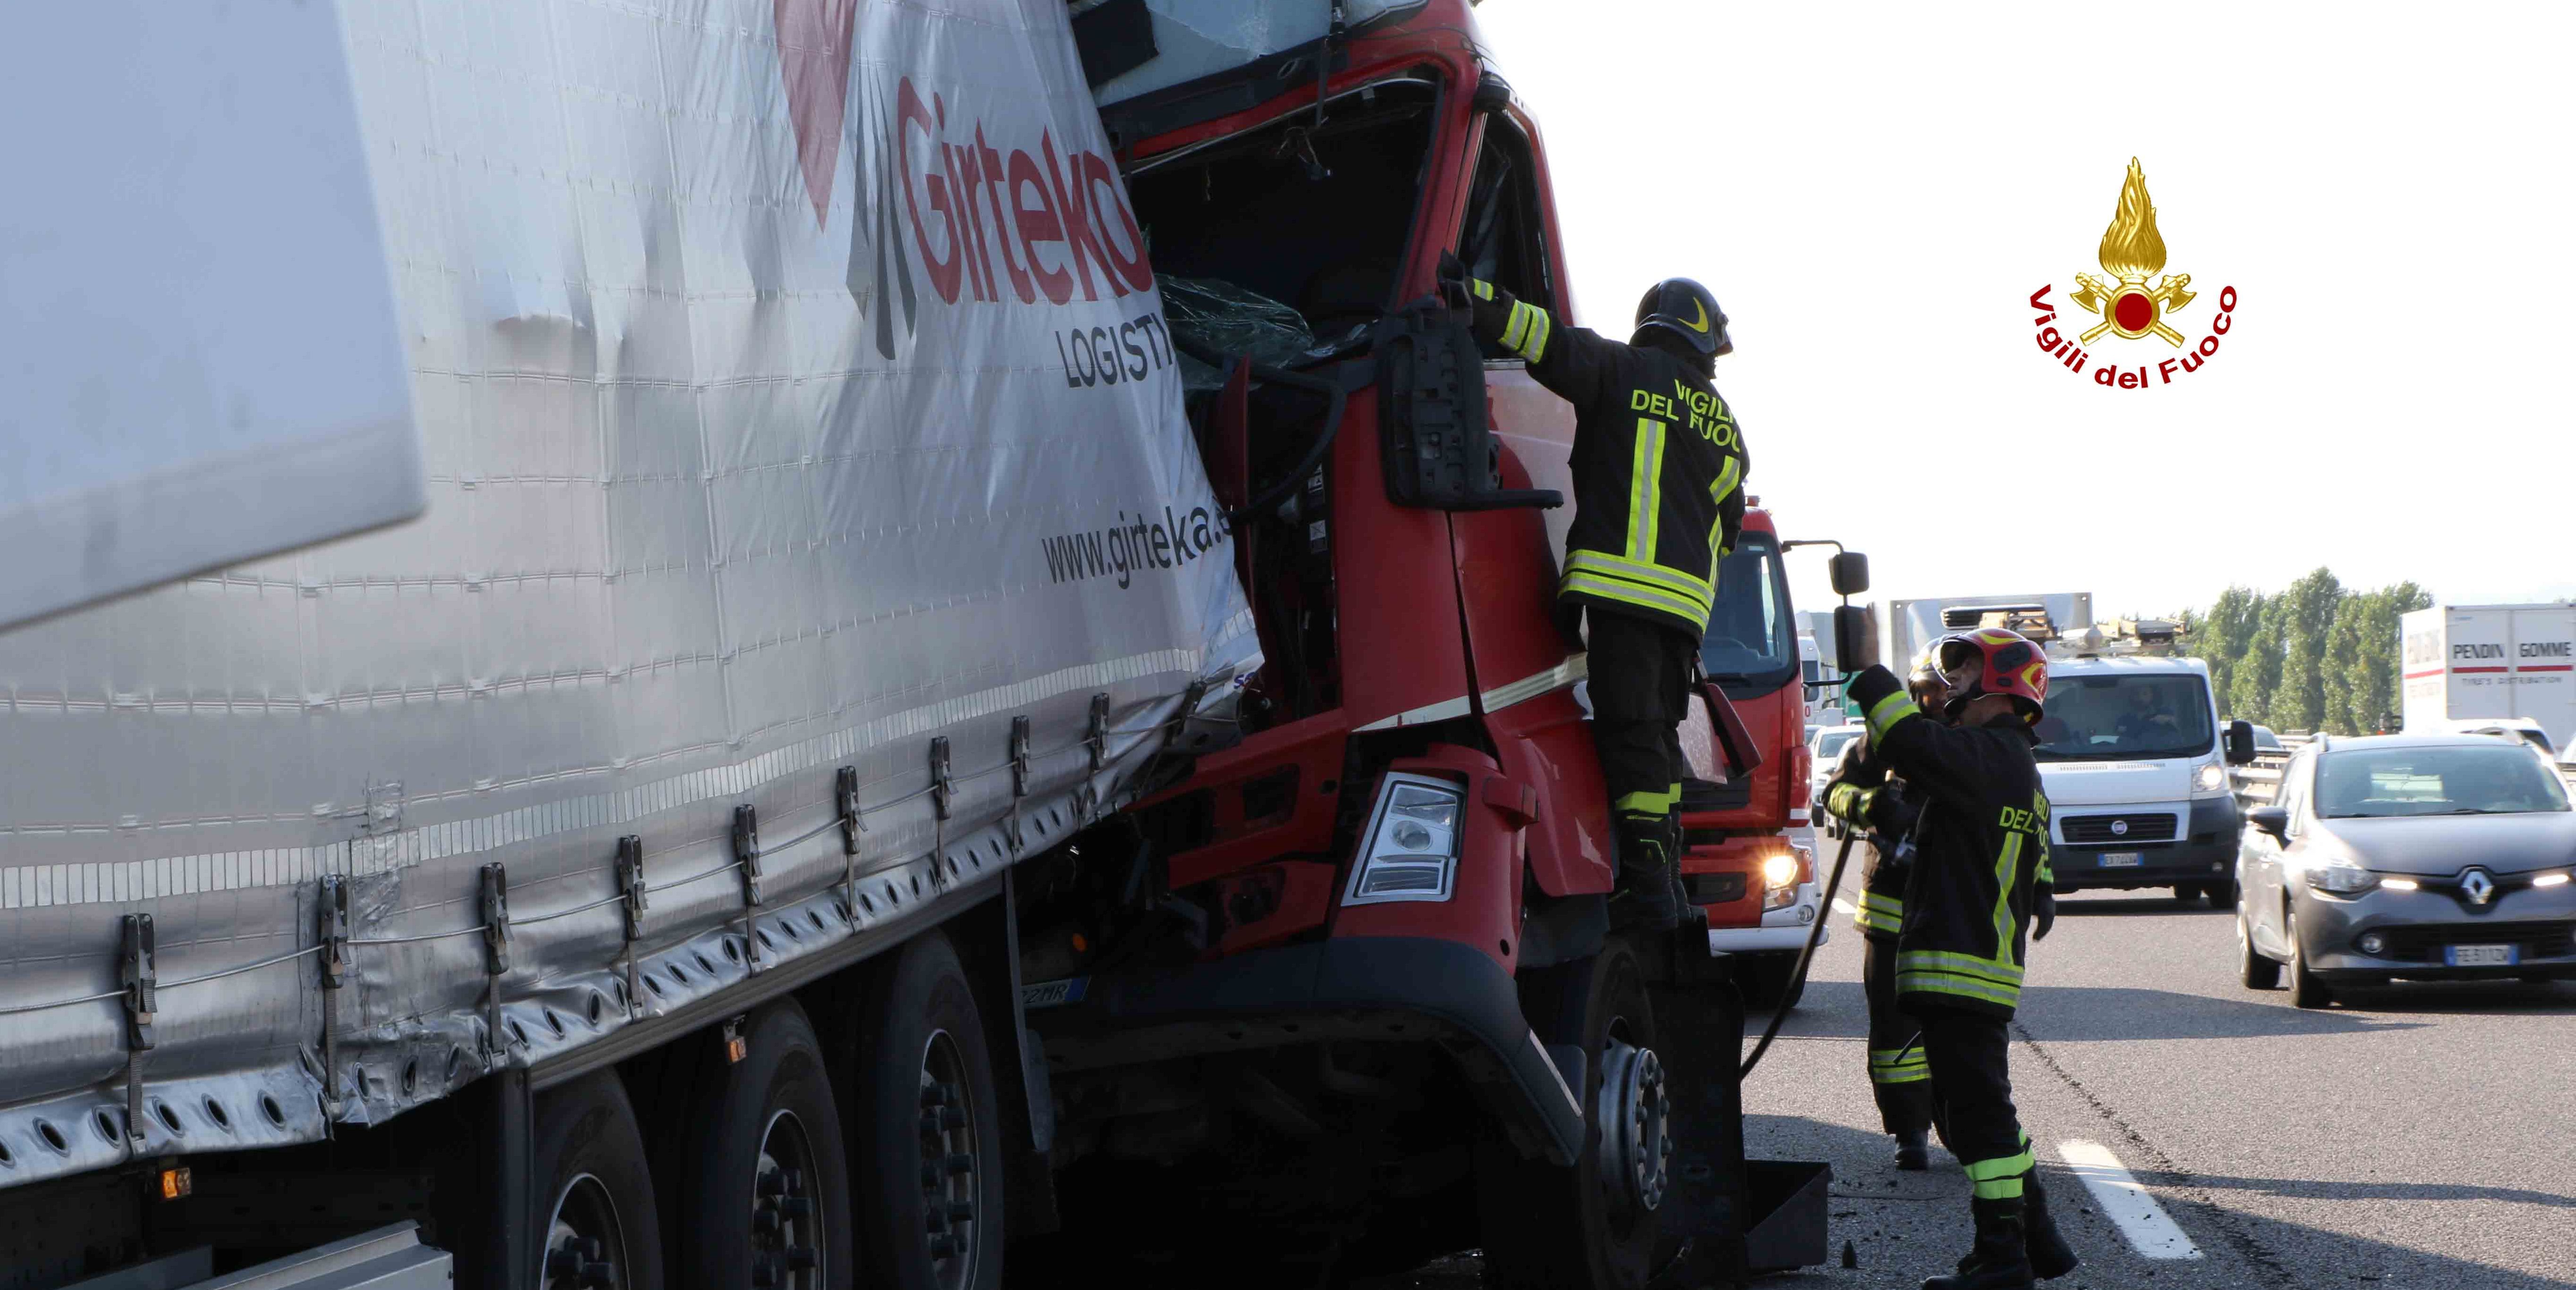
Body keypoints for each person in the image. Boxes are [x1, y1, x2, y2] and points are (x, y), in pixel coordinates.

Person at [1439, 254, 1748, 928]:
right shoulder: (1726, 426)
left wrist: (1474, 296)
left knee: (1631, 735)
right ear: (1703, 344)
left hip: (1620, 594)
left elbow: (1542, 338)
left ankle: (1652, 891)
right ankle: (1661, 874)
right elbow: (1728, 526)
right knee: (1653, 739)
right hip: (1681, 614)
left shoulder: (1620, 369)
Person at [1844, 628, 2076, 1289]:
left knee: (1979, 1116)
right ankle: (2038, 1238)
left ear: (2000, 687)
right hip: (1965, 965)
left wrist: (1873, 681)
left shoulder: (1989, 756)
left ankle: (2004, 1260)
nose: (1954, 688)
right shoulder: (2005, 762)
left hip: (1962, 964)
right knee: (1966, 1109)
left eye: (1966, 673)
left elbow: (1909, 742)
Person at [1820, 648, 1951, 1171]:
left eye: (1944, 692)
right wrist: (1871, 805)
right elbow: (1834, 794)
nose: (1934, 702)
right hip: (1890, 912)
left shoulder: (1976, 744)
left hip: (1953, 914)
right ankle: (1909, 1131)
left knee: (1956, 1028)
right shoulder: (1885, 740)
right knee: (1894, 1031)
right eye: (1926, 693)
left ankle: (1961, 1125)